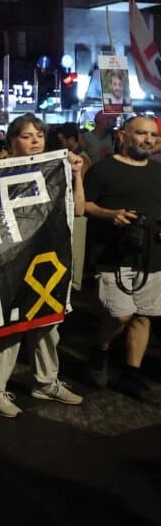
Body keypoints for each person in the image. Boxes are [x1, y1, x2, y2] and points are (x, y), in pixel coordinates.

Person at [0, 113, 85, 417]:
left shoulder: (57, 168)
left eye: (39, 134)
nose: (35, 140)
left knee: (47, 324)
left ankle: (46, 382)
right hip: (8, 261)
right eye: (27, 135)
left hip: (46, 260)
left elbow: (77, 209)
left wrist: (77, 174)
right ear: (12, 140)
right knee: (8, 325)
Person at [83, 115, 161, 399]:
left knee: (144, 316)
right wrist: (110, 215)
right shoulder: (103, 170)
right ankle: (101, 350)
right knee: (120, 314)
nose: (148, 140)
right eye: (141, 134)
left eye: (152, 135)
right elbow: (83, 206)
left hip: (151, 256)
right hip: (111, 255)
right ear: (123, 136)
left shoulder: (157, 171)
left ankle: (131, 373)